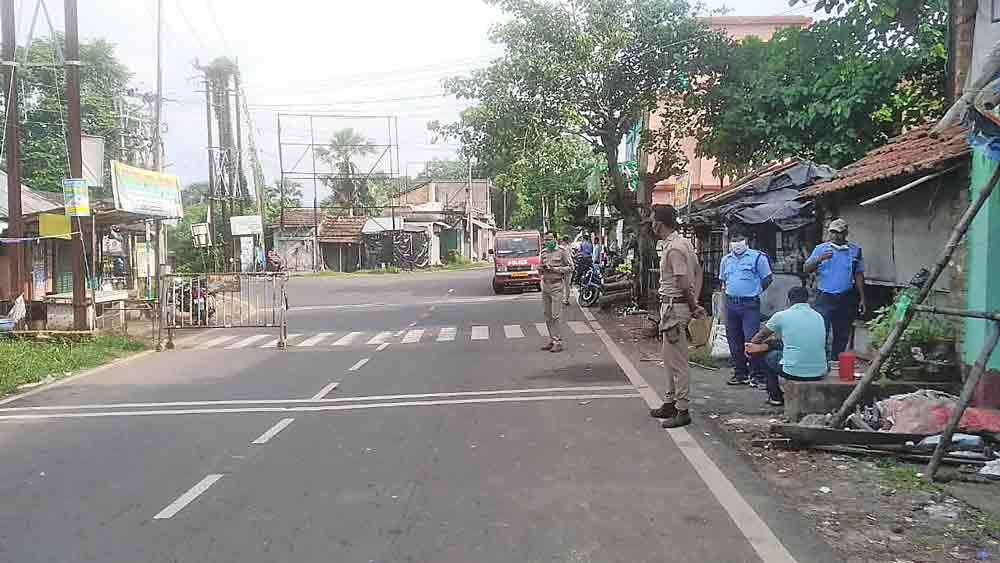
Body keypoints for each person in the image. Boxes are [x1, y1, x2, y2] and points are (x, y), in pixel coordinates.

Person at [648, 205, 706, 428]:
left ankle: (682, 409)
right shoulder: (684, 244)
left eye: (653, 220)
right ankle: (671, 402)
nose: (652, 224)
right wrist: (696, 302)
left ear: (659, 223)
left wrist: (692, 305)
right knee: (669, 358)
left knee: (678, 362)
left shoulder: (674, 249)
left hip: (675, 308)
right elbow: (698, 273)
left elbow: (683, 282)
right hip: (676, 307)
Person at [745, 286, 828, 406]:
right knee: (778, 345)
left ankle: (775, 396)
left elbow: (760, 336)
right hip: (819, 371)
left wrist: (750, 347)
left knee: (767, 356)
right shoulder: (818, 316)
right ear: (808, 300)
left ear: (789, 300)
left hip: (794, 370)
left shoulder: (781, 315)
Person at [804, 218, 868, 361]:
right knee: (821, 331)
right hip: (824, 296)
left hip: (845, 296)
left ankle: (835, 362)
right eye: (832, 232)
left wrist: (862, 298)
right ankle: (819, 361)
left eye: (839, 233)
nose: (835, 236)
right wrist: (819, 259)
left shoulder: (855, 251)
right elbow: (806, 268)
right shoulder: (821, 249)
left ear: (845, 233)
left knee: (842, 332)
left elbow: (858, 274)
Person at [719, 230, 773, 386]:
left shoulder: (757, 257)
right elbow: (724, 282)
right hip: (731, 304)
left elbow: (768, 278)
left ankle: (756, 374)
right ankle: (740, 373)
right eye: (734, 239)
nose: (737, 242)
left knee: (752, 339)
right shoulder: (726, 260)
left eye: (740, 238)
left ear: (747, 240)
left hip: (750, 304)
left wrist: (755, 291)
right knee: (734, 340)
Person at [539, 231, 574, 353]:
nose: (547, 242)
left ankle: (558, 342)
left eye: (549, 239)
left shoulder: (562, 251)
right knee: (547, 315)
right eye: (546, 240)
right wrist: (541, 269)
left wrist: (556, 269)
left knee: (555, 315)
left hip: (557, 285)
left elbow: (571, 267)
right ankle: (552, 339)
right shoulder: (543, 253)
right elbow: (540, 267)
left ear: (555, 239)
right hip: (545, 285)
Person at [560, 235, 572, 305]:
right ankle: (566, 299)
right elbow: (572, 256)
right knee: (567, 285)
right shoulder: (569, 247)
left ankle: (564, 299)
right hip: (567, 268)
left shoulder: (562, 248)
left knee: (562, 284)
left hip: (562, 268)